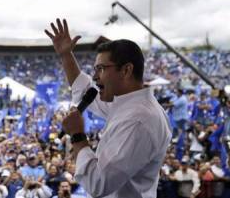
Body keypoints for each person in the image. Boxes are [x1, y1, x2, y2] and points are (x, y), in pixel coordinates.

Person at [45, 18, 172, 198]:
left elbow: (98, 183)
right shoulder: (125, 105)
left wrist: (77, 135)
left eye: (101, 69)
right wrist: (66, 55)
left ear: (126, 70)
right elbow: (84, 88)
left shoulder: (138, 119)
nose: (95, 76)